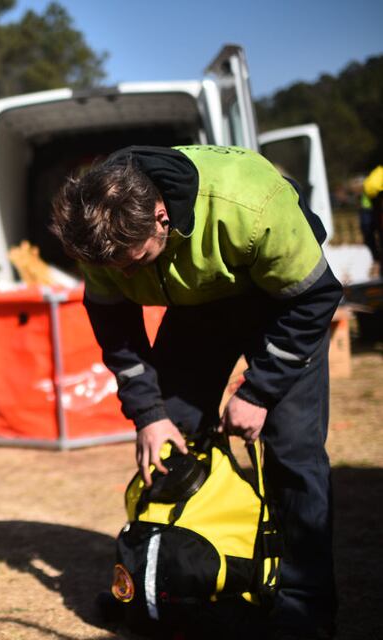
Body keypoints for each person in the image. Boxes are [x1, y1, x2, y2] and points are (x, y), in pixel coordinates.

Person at [50, 145, 341, 639]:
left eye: (133, 262)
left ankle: (303, 603)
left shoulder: (251, 205)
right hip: (196, 305)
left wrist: (259, 391)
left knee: (294, 451)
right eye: (114, 268)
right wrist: (148, 413)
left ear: (161, 218)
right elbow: (115, 327)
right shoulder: (99, 229)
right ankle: (171, 580)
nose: (123, 276)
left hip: (280, 300)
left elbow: (316, 297)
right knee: (172, 439)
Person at [360, 164, 383, 272]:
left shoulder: (377, 172)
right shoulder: (379, 174)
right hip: (372, 210)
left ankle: (377, 258)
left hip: (370, 210)